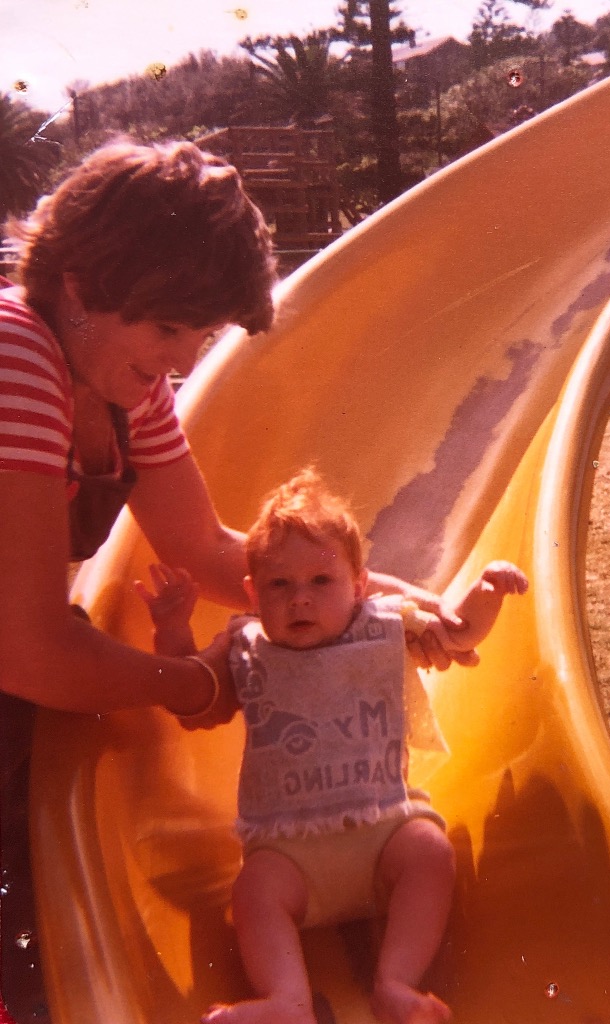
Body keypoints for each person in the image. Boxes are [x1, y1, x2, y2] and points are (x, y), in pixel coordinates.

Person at [0, 138, 463, 1019]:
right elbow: (24, 647)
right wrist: (198, 681)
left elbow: (215, 551)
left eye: (196, 335)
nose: (177, 361)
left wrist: (385, 598)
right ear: (82, 286)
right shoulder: (17, 354)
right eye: (167, 328)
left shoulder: (123, 385)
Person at [137, 467, 529, 1024]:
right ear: (253, 592)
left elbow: (459, 630)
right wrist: (173, 632)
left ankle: (395, 983)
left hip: (383, 832)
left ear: (360, 585)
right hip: (289, 855)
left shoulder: (384, 628)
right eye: (280, 585)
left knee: (430, 852)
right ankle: (288, 1001)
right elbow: (195, 704)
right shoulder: (244, 647)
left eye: (321, 582)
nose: (300, 600)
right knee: (252, 890)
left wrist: (486, 590)